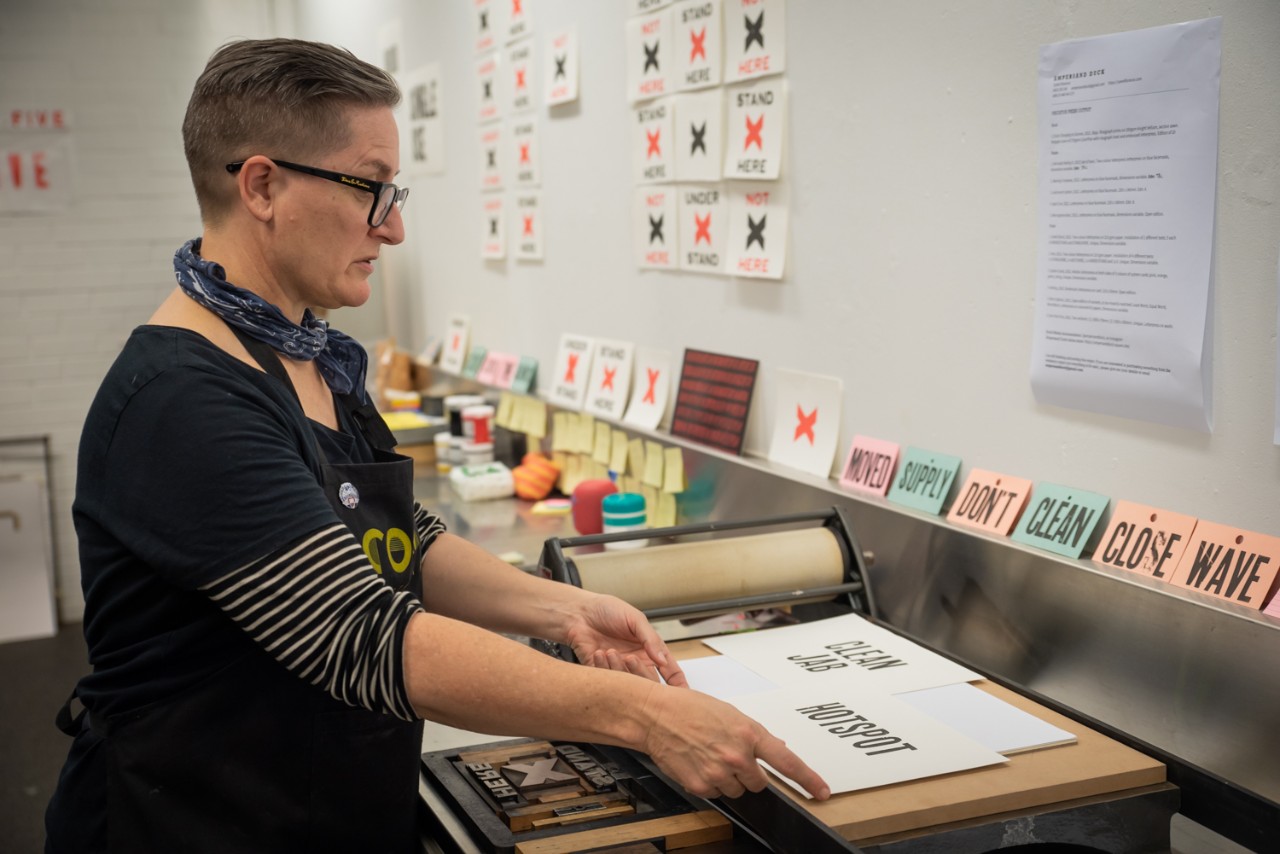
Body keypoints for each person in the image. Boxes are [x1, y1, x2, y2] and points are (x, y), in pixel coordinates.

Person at [44, 37, 828, 853]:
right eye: (371, 189)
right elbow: (366, 636)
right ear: (264, 185)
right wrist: (647, 716)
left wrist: (565, 610)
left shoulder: (305, 353)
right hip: (194, 825)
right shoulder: (183, 399)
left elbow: (396, 538)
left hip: (322, 807)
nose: (395, 228)